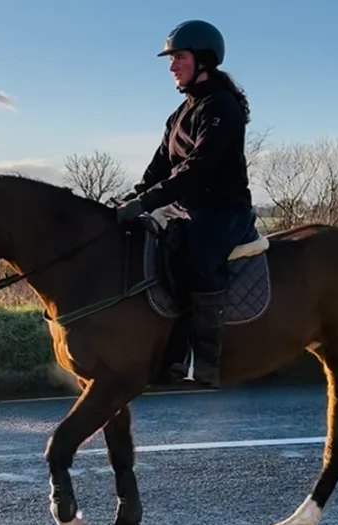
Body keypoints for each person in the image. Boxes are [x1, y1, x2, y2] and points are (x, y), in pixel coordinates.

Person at [115, 19, 255, 388]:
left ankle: (205, 363)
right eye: (171, 58)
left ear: (203, 61)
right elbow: (158, 168)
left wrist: (148, 201)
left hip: (224, 210)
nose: (172, 66)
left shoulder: (221, 107)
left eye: (179, 57)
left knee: (196, 263)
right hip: (190, 209)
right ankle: (166, 355)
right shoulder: (178, 115)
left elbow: (198, 169)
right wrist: (130, 200)